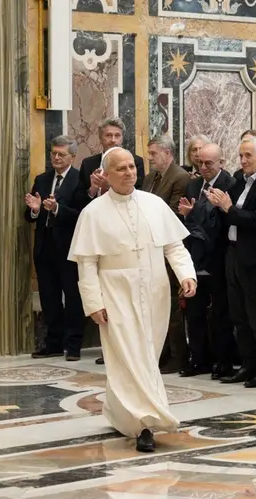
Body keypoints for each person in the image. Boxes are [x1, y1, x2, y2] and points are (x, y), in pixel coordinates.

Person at [68, 148, 197, 453]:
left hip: (155, 290)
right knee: (130, 357)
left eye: (131, 167)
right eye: (120, 169)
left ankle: (118, 411)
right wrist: (93, 302)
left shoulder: (154, 204)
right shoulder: (93, 213)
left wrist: (186, 274)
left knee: (146, 357)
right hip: (115, 292)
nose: (128, 173)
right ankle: (146, 424)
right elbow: (86, 263)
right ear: (106, 175)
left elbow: (174, 247)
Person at [204, 132, 256, 387]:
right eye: (240, 155)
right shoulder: (240, 179)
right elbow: (232, 213)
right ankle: (248, 364)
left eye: (248, 155)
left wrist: (230, 209)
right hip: (233, 252)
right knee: (238, 314)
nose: (243, 160)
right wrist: (222, 207)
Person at [178, 142, 236, 379]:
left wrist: (195, 215)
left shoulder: (229, 184)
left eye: (208, 163)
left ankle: (222, 361)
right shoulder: (193, 184)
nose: (203, 167)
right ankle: (198, 359)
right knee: (194, 312)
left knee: (220, 314)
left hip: (219, 257)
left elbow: (226, 221)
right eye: (199, 162)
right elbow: (187, 219)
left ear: (221, 163)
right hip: (196, 258)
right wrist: (188, 216)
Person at [25, 136, 84, 361]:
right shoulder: (41, 179)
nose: (56, 158)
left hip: (69, 248)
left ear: (72, 156)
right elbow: (29, 216)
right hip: (45, 248)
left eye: (61, 154)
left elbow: (81, 214)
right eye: (53, 154)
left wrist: (57, 208)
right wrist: (35, 209)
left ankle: (74, 345)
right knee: (49, 299)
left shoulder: (80, 179)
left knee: (73, 298)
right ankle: (53, 344)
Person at [144, 138, 192, 373]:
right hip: (148, 251)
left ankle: (178, 356)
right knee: (155, 307)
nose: (150, 157)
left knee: (172, 308)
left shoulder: (180, 177)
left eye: (153, 153)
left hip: (167, 246)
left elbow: (172, 214)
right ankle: (159, 354)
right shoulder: (149, 178)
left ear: (167, 152)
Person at [73, 119, 146, 213]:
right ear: (100, 138)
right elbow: (78, 202)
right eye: (108, 135)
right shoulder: (88, 163)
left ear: (122, 138)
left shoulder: (135, 162)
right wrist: (93, 189)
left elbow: (138, 194)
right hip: (95, 215)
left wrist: (110, 187)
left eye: (117, 135)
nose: (113, 140)